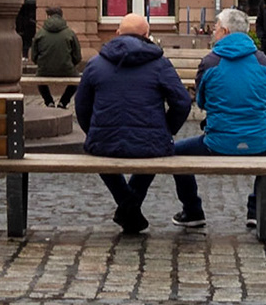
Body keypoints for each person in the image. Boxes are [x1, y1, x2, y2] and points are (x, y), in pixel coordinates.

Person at [73, 12, 197, 233]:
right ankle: (129, 209)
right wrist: (166, 129)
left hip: (104, 142)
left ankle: (127, 208)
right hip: (151, 143)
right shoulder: (160, 64)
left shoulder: (96, 63)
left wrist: (94, 131)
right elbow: (182, 102)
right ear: (147, 35)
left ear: (117, 33)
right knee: (152, 150)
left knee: (101, 152)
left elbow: (82, 106)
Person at [168, 8, 266, 231]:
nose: (213, 32)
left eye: (216, 28)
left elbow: (201, 101)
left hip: (217, 143)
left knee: (176, 152)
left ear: (226, 31)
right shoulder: (262, 60)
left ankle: (192, 211)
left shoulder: (211, 61)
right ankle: (255, 210)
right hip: (259, 143)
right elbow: (265, 95)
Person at [29, 6, 82, 108]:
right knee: (76, 80)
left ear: (48, 16)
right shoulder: (70, 33)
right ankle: (63, 102)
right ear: (61, 17)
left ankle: (49, 102)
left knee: (39, 79)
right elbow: (77, 56)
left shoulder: (40, 33)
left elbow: (34, 56)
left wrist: (41, 64)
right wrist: (69, 64)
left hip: (44, 70)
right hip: (67, 69)